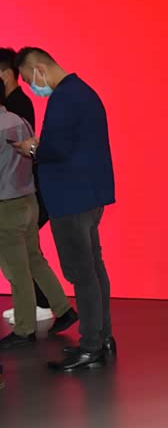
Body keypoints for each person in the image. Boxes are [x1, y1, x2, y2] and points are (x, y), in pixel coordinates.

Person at [12, 47, 116, 371]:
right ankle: (103, 338)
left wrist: (32, 149)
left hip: (71, 200)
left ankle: (90, 346)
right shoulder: (83, 92)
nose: (33, 87)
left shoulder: (64, 98)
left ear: (40, 69)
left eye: (30, 79)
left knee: (82, 274)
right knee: (94, 269)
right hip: (89, 196)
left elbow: (56, 149)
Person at [0, 104, 78, 351]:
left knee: (17, 269)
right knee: (34, 259)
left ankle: (24, 329)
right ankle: (63, 309)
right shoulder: (20, 120)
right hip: (28, 199)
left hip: (6, 205)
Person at [0, 47, 54, 323]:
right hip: (20, 191)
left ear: (5, 74)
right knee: (26, 252)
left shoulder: (16, 106)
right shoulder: (17, 104)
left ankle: (39, 304)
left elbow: (18, 154)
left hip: (17, 194)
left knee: (23, 253)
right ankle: (41, 304)